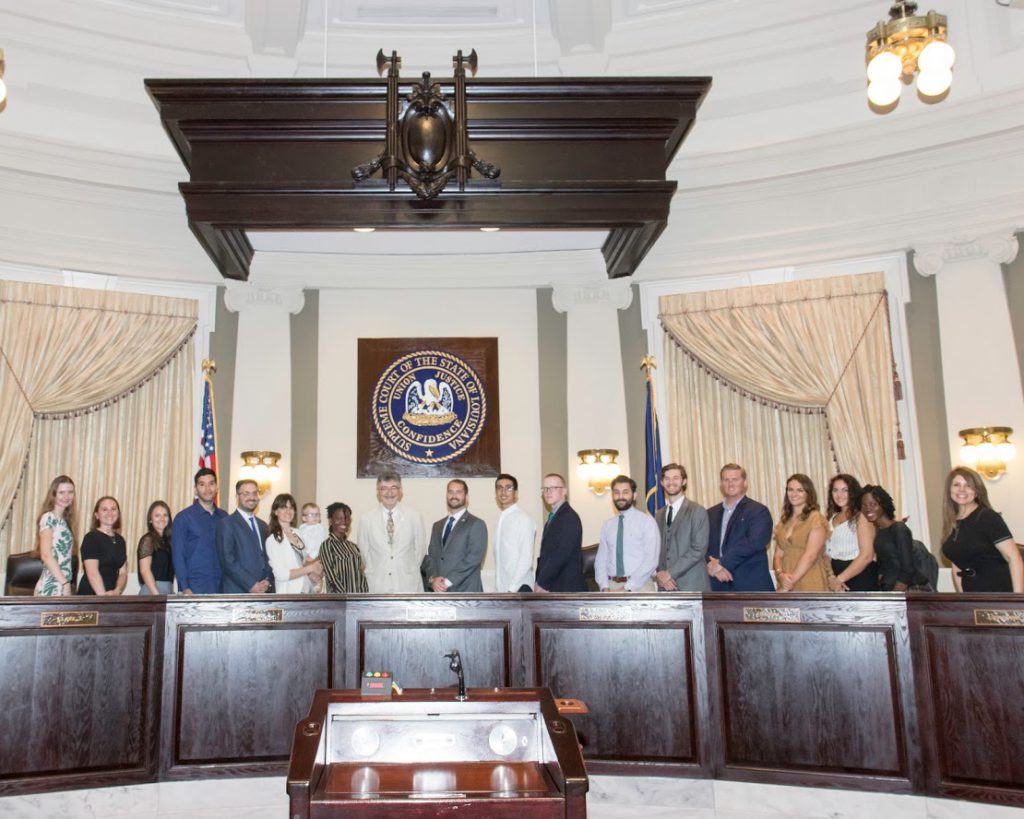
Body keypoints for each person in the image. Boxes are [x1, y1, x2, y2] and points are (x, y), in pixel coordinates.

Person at [941, 466, 1023, 593]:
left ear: (977, 491)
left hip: (1000, 591)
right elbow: (957, 565)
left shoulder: (987, 517)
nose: (962, 489)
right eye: (957, 484)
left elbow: (1013, 557)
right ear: (949, 490)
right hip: (973, 595)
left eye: (968, 485)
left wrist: (1018, 600)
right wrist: (962, 601)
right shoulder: (952, 523)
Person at [706, 463, 774, 592]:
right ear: (721, 484)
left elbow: (754, 543)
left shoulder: (758, 511)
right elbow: (702, 545)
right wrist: (711, 566)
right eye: (726, 480)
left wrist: (721, 564)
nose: (730, 484)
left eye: (735, 479)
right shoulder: (710, 513)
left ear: (745, 483)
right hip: (718, 585)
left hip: (750, 586)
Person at [356, 471, 427, 593]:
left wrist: (406, 568)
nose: (389, 493)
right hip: (377, 584)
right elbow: (364, 553)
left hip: (408, 584)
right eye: (384, 488)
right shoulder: (366, 519)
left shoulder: (414, 516)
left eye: (394, 488)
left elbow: (420, 551)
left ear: (400, 491)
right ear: (378, 492)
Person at [595, 475, 659, 592]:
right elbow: (601, 560)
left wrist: (627, 588)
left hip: (640, 587)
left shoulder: (647, 522)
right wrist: (604, 587)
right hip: (610, 587)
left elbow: (651, 560)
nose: (620, 497)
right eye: (616, 493)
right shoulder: (607, 525)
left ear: (634, 496)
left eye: (625, 492)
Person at [654, 463, 710, 592]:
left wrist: (670, 573)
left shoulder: (697, 511)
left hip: (692, 585)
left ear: (684, 481)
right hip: (665, 587)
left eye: (675, 478)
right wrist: (661, 575)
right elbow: (656, 549)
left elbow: (698, 549)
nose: (671, 482)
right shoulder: (659, 514)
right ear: (662, 483)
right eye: (667, 479)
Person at [860, 484, 927, 591]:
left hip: (908, 590)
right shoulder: (880, 531)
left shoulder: (899, 529)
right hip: (889, 588)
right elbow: (884, 566)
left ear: (883, 504)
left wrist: (895, 596)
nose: (868, 509)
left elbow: (908, 569)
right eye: (864, 505)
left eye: (873, 504)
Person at [172, 468, 228, 594]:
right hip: (194, 588)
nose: (207, 489)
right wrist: (184, 587)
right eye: (202, 485)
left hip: (222, 587)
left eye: (211, 484)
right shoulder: (183, 518)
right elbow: (178, 555)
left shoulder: (224, 517)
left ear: (216, 487)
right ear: (196, 489)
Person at [426, 479, 487, 593]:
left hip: (466, 593)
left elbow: (473, 559)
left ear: (466, 496)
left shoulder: (476, 523)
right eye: (450, 492)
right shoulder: (437, 526)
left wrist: (447, 582)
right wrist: (433, 579)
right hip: (440, 593)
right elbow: (431, 556)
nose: (454, 496)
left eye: (459, 492)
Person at [772, 474, 830, 592]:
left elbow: (811, 556)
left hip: (810, 579)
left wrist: (789, 583)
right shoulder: (784, 521)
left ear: (808, 493)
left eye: (800, 490)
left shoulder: (816, 518)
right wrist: (780, 575)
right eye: (790, 490)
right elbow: (778, 554)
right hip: (786, 580)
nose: (794, 494)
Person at [216, 479, 274, 594]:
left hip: (264, 592)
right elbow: (228, 561)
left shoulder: (263, 526)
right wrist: (251, 584)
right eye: (246, 493)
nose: (251, 497)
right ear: (237, 496)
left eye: (254, 493)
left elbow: (269, 557)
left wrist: (268, 580)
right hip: (238, 592)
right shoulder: (226, 524)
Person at [824, 474, 878, 592]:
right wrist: (832, 577)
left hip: (861, 578)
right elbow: (827, 554)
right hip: (838, 582)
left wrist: (839, 580)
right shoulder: (831, 518)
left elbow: (867, 556)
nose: (839, 495)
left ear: (853, 492)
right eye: (835, 490)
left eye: (845, 490)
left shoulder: (862, 515)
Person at [535, 473, 586, 592]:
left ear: (564, 491)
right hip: (555, 586)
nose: (548, 492)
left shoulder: (569, 517)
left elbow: (560, 555)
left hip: (566, 588)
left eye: (553, 488)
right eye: (545, 489)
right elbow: (546, 556)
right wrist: (538, 579)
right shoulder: (553, 518)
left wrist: (542, 583)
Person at [265, 493, 323, 594]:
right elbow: (281, 574)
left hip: (309, 590)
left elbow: (307, 559)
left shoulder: (299, 532)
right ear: (275, 511)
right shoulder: (273, 540)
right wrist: (309, 568)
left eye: (291, 508)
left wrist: (317, 570)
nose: (288, 511)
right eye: (283, 507)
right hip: (289, 592)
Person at [33, 475, 77, 597]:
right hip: (52, 585)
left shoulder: (64, 521)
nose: (66, 496)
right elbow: (46, 555)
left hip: (61, 582)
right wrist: (64, 583)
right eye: (62, 492)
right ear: (54, 495)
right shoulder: (48, 518)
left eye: (70, 492)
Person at [493, 473, 536, 593]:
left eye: (508, 488)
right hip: (504, 590)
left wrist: (511, 590)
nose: (503, 492)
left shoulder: (523, 519)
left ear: (516, 493)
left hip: (519, 589)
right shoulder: (503, 518)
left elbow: (526, 558)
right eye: (499, 488)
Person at [77, 496, 128, 595]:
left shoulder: (120, 541)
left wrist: (117, 591)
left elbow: (123, 573)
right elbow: (92, 573)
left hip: (111, 595)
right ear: (97, 515)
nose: (110, 513)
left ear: (118, 513)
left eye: (113, 509)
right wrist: (103, 598)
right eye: (104, 509)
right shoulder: (91, 538)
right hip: (92, 595)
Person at [318, 502, 369, 593]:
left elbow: (362, 576)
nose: (344, 521)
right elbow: (332, 578)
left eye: (347, 518)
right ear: (330, 521)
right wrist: (346, 598)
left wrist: (363, 597)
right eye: (339, 518)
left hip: (359, 601)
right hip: (339, 603)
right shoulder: (327, 545)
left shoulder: (354, 547)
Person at [138, 500, 175, 595]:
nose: (162, 518)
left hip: (168, 590)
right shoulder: (148, 539)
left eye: (165, 515)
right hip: (152, 591)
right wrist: (157, 595)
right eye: (157, 515)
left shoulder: (170, 541)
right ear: (150, 519)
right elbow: (144, 570)